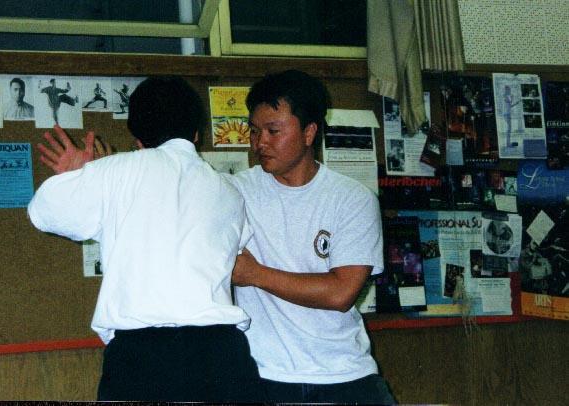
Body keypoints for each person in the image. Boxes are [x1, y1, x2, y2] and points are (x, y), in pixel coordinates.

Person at [27, 76, 261, 402]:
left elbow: (43, 212)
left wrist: (79, 176)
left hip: (141, 362)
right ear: (196, 134)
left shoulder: (116, 171)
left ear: (137, 139)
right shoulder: (229, 191)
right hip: (222, 358)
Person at [229, 69, 396, 404]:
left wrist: (255, 274)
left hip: (345, 373)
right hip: (263, 374)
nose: (260, 142)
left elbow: (341, 292)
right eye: (255, 131)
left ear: (309, 132)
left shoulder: (352, 198)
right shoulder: (233, 193)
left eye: (273, 131)